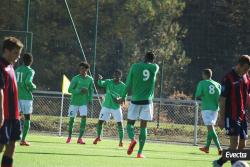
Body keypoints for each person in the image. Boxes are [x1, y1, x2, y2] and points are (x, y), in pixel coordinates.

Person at [213, 55, 250, 167]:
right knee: (234, 144)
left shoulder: (245, 77)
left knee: (242, 145)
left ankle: (219, 162)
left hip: (242, 115)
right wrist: (221, 118)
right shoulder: (228, 78)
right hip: (231, 115)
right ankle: (235, 165)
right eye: (245, 69)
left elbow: (247, 94)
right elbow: (222, 99)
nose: (246, 72)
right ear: (239, 65)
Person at [122, 51, 159, 158]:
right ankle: (139, 153)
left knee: (130, 124)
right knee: (144, 127)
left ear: (144, 57)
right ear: (153, 60)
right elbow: (152, 67)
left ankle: (133, 139)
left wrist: (123, 96)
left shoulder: (134, 66)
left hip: (135, 101)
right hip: (147, 102)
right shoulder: (155, 67)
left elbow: (128, 83)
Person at [0, 37, 23, 167]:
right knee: (1, 146)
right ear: (7, 50)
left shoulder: (11, 66)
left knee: (12, 145)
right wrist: (1, 114)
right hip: (4, 115)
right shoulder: (1, 66)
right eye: (15, 53)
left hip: (14, 116)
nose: (18, 57)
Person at [93, 69, 126, 147]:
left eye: (118, 75)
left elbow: (123, 98)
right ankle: (98, 137)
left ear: (120, 76)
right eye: (115, 75)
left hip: (116, 108)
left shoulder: (123, 86)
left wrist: (119, 100)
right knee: (100, 122)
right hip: (106, 106)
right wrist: (100, 79)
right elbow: (101, 83)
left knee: (120, 124)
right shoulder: (108, 82)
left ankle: (121, 141)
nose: (116, 76)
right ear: (113, 75)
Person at [195, 69, 222, 155]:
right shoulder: (218, 84)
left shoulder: (202, 83)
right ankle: (207, 147)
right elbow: (220, 97)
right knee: (210, 128)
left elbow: (197, 95)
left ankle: (219, 147)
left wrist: (202, 96)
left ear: (204, 75)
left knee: (211, 128)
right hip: (215, 109)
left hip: (206, 108)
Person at [66, 61, 93, 144]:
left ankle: (80, 138)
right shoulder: (75, 78)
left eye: (83, 69)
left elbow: (91, 91)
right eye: (80, 69)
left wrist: (90, 100)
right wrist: (79, 90)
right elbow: (69, 90)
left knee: (84, 119)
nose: (81, 70)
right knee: (71, 120)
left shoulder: (90, 79)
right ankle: (69, 137)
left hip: (83, 103)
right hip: (74, 102)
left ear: (87, 69)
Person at [15, 53, 36, 146]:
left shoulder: (17, 69)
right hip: (26, 98)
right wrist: (33, 87)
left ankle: (16, 136)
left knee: (17, 117)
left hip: (16, 96)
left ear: (23, 60)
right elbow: (28, 82)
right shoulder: (30, 71)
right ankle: (23, 140)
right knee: (27, 117)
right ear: (31, 61)